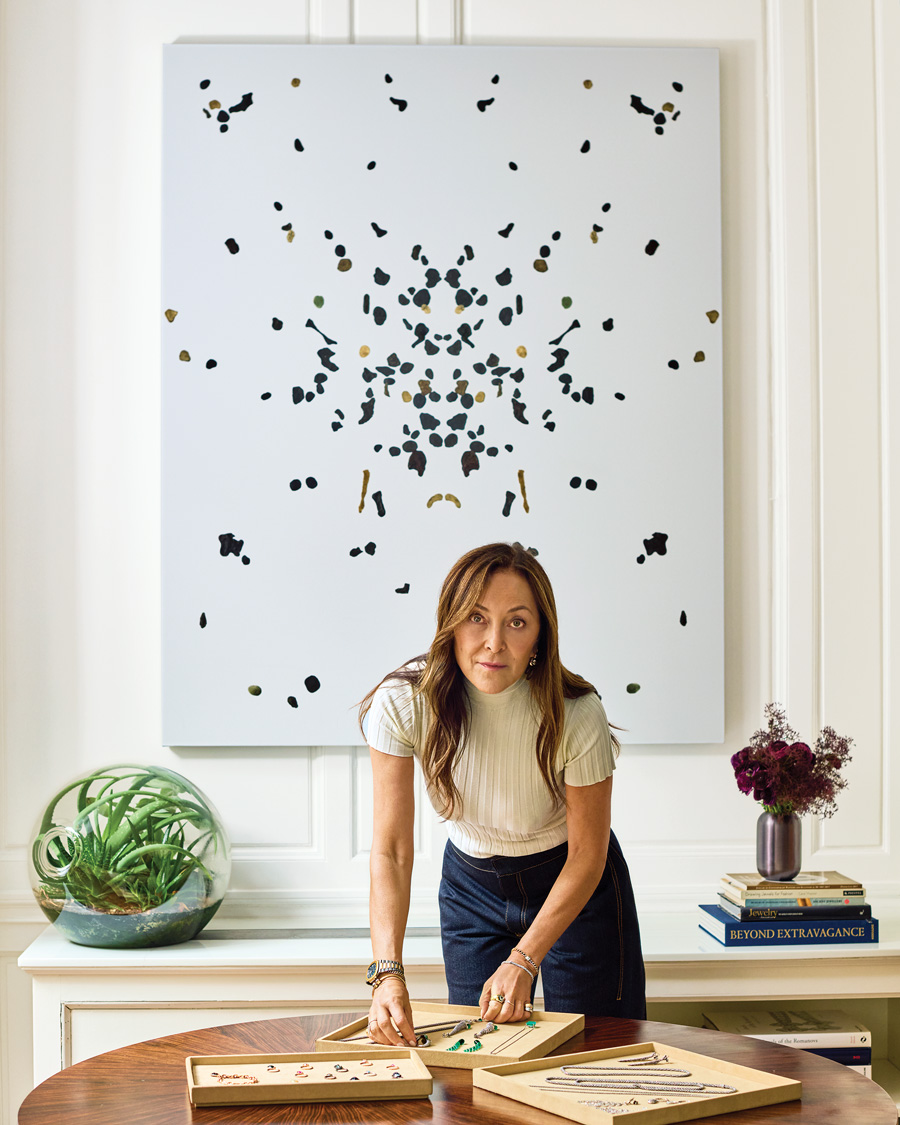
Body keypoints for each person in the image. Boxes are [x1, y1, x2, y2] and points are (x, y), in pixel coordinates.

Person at [359, 542, 645, 1047]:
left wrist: (524, 959)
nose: (493, 643)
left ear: (540, 635)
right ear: (450, 622)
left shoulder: (576, 713)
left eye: (516, 622)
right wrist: (387, 973)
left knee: (593, 1056)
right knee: (478, 1064)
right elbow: (392, 851)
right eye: (476, 617)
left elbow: (587, 855)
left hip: (574, 883)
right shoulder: (403, 702)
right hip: (471, 889)